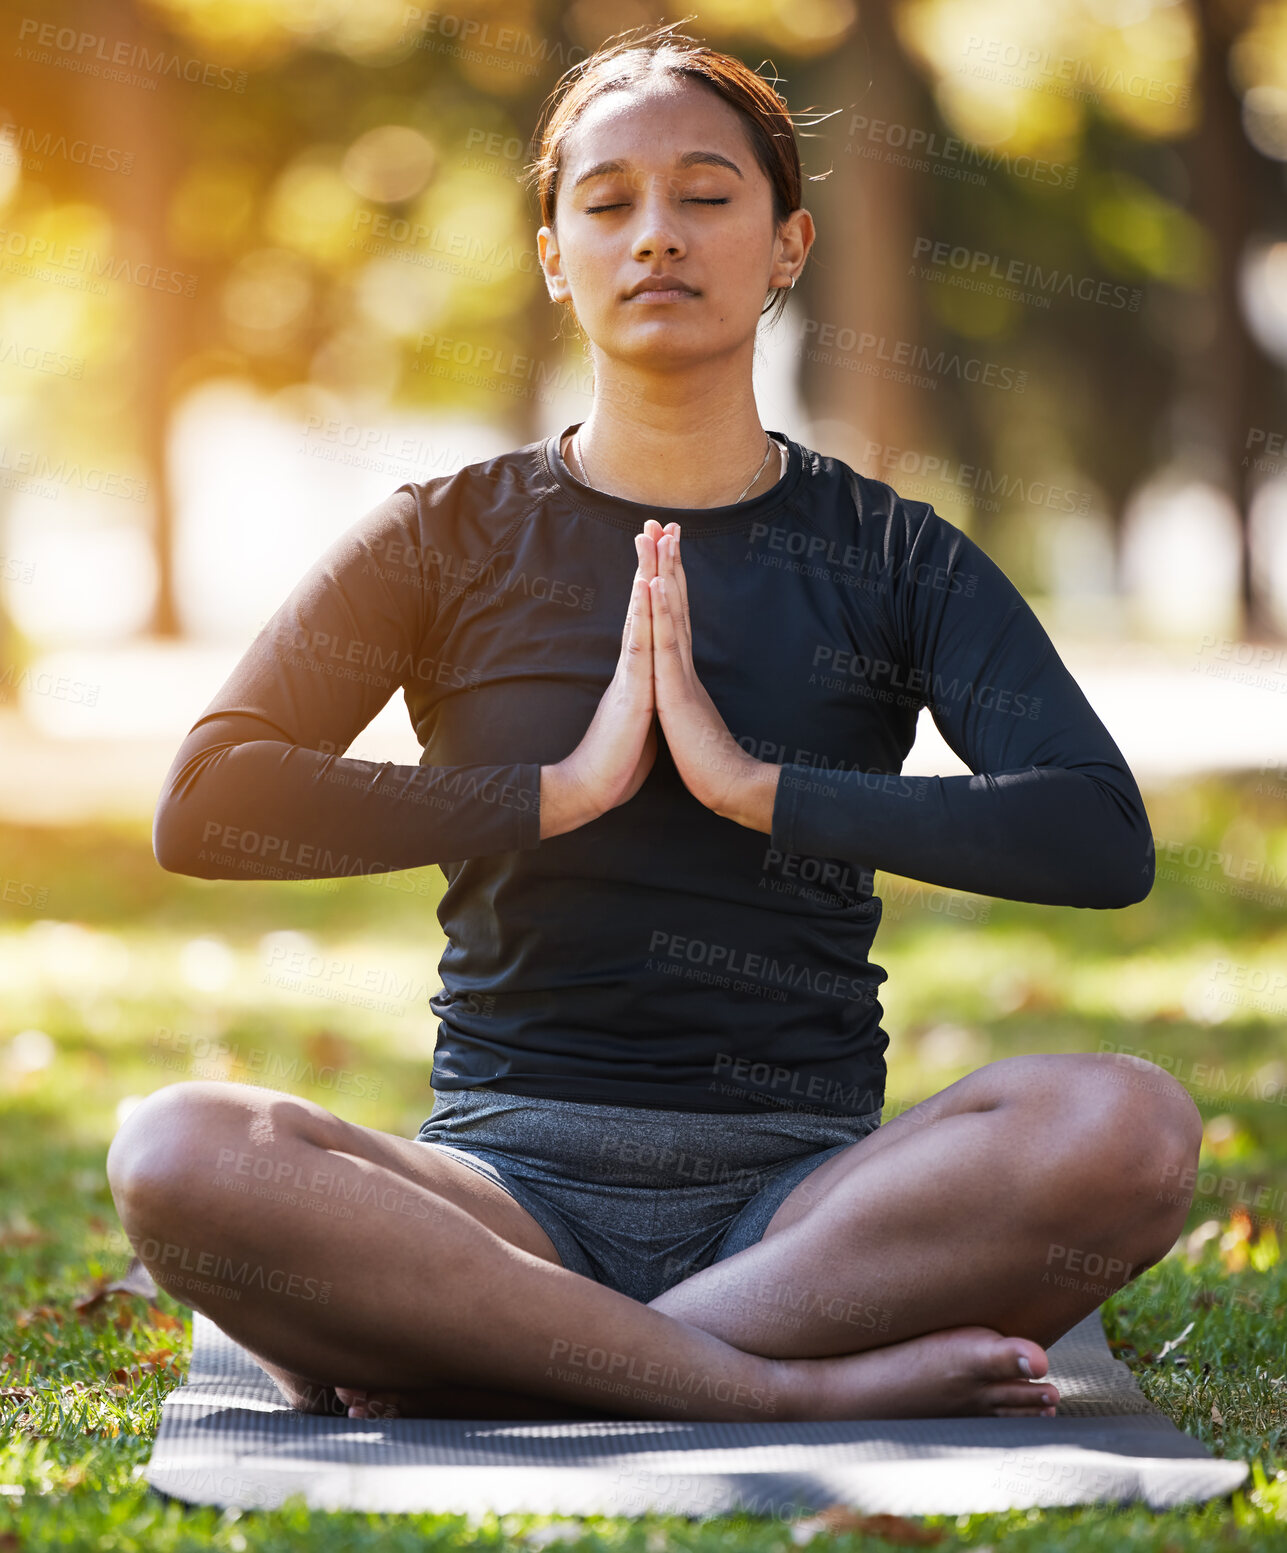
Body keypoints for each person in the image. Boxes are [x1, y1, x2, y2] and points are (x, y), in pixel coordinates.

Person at [106, 23, 1202, 1426]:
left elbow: (1099, 831)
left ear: (789, 245)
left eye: (706, 194)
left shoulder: (893, 553)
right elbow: (208, 799)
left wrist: (759, 787)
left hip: (812, 1213)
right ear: (556, 257)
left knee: (1129, 1123)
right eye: (608, 203)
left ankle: (508, 1355)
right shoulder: (442, 538)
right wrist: (552, 791)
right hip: (502, 1196)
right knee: (182, 1150)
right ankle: (771, 1389)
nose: (657, 237)